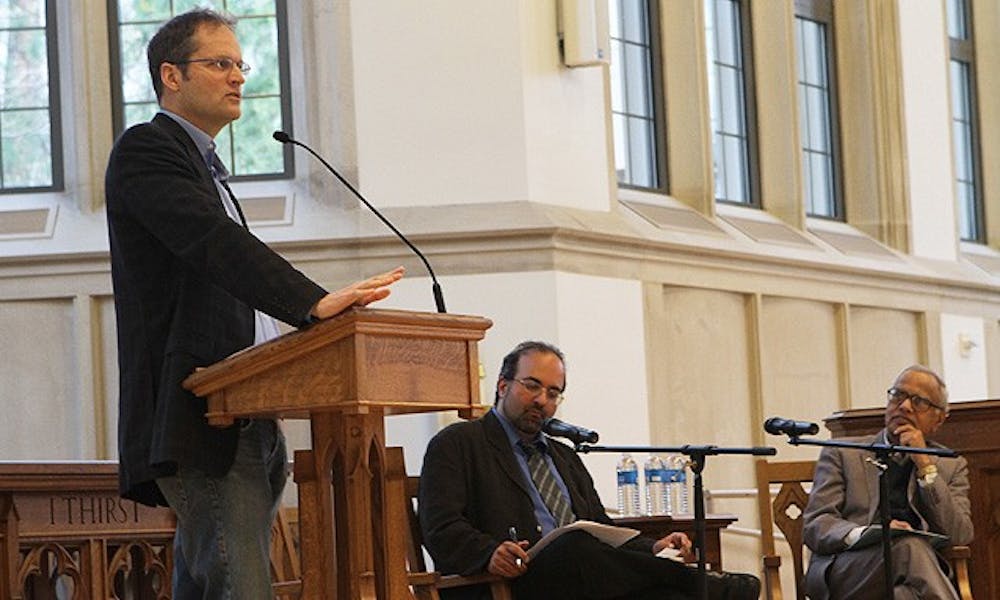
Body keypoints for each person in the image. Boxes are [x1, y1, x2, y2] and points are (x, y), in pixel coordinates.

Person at [105, 9, 404, 599]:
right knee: (239, 588)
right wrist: (313, 305)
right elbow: (217, 248)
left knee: (206, 584)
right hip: (201, 416)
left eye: (240, 64)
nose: (238, 76)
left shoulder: (204, 164)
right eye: (219, 64)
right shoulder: (147, 151)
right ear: (171, 75)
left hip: (249, 411)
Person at [419, 340, 760, 600]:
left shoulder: (564, 456)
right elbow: (441, 526)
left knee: (666, 596)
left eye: (553, 393)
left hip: (584, 580)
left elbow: (603, 530)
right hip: (506, 584)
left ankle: (686, 583)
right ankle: (699, 581)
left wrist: (654, 548)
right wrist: (489, 553)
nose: (542, 400)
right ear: (503, 385)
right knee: (573, 546)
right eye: (532, 385)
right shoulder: (459, 443)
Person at [803, 365, 973, 600]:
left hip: (915, 576)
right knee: (908, 546)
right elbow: (816, 524)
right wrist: (868, 533)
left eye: (918, 401)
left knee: (905, 595)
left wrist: (924, 465)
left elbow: (959, 534)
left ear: (938, 420)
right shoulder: (843, 453)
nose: (904, 406)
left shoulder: (949, 465)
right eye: (898, 395)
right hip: (848, 570)